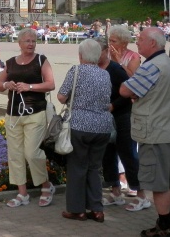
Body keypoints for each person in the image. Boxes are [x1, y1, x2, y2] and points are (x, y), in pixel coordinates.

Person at [120, 26, 170, 237]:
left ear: (152, 44)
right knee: (169, 181)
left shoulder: (151, 67)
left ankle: (164, 227)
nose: (136, 43)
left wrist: (132, 92)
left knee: (158, 184)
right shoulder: (167, 62)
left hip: (155, 132)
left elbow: (125, 90)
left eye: (140, 39)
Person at [0, 28, 56, 208]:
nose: (31, 44)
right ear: (19, 43)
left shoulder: (41, 60)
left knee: (32, 153)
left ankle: (46, 186)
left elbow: (51, 84)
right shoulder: (11, 63)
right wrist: (8, 84)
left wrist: (29, 86)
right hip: (13, 115)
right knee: (15, 155)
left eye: (33, 41)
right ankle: (22, 193)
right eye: (27, 41)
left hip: (35, 113)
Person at [56, 39, 114, 222]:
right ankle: (97, 209)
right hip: (103, 128)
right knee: (95, 168)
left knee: (77, 167)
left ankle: (77, 210)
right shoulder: (105, 74)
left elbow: (61, 96)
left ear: (81, 55)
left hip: (79, 126)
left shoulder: (76, 71)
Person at [97, 36, 150, 212]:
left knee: (128, 154)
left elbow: (128, 92)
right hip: (104, 117)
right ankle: (115, 192)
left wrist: (114, 105)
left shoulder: (115, 69)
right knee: (107, 154)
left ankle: (141, 195)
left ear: (106, 51)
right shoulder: (94, 69)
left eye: (98, 52)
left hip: (122, 116)